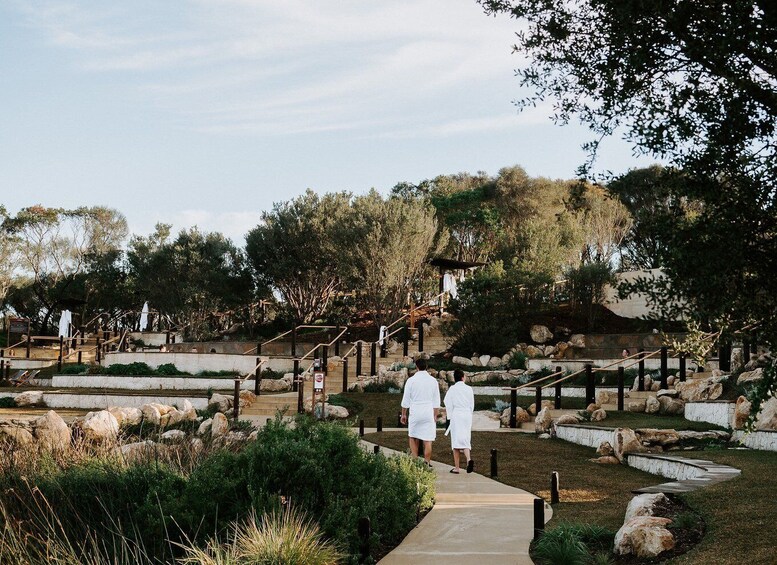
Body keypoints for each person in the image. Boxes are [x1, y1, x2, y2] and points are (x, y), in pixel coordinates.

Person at [400, 358, 441, 466]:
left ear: (416, 367)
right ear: (426, 367)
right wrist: (435, 415)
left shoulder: (411, 380)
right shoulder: (433, 381)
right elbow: (436, 401)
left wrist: (403, 414)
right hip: (428, 411)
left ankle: (414, 460)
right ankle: (427, 462)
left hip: (415, 411)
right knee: (428, 439)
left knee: (413, 436)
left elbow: (406, 399)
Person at [443, 369, 475, 474]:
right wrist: (469, 413)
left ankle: (457, 468)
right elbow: (472, 404)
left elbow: (447, 402)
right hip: (466, 415)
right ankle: (468, 459)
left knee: (456, 441)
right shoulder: (469, 389)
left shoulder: (452, 389)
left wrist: (449, 416)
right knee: (465, 438)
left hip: (457, 414)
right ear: (462, 377)